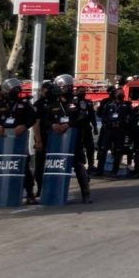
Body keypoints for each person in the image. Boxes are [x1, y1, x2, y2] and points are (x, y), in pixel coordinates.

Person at [45, 74, 92, 203]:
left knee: (78, 164)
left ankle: (86, 194)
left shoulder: (77, 102)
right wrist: (53, 125)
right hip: (57, 141)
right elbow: (46, 120)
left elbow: (82, 117)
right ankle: (51, 192)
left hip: (73, 139)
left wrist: (69, 124)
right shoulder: (54, 104)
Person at [0, 79, 36, 202]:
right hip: (2, 142)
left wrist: (24, 126)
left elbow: (32, 119)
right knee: (1, 166)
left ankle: (30, 193)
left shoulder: (24, 105)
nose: (16, 92)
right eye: (13, 89)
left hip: (18, 140)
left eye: (17, 89)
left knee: (23, 166)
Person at [96, 89, 132, 177]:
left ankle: (114, 171)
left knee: (118, 151)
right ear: (115, 94)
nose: (121, 94)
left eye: (122, 93)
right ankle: (100, 170)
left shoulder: (127, 105)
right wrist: (109, 122)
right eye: (119, 93)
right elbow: (103, 115)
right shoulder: (109, 105)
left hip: (120, 130)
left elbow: (131, 117)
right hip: (109, 129)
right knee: (103, 149)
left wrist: (123, 123)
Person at [31, 81, 57, 196]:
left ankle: (52, 187)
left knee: (54, 164)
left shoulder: (57, 102)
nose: (49, 91)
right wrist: (38, 140)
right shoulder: (39, 104)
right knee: (40, 165)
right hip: (43, 137)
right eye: (47, 89)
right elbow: (36, 124)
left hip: (56, 139)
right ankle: (40, 188)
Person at [75, 87, 98, 175]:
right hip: (77, 128)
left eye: (84, 92)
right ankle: (79, 165)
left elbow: (92, 115)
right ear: (76, 92)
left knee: (90, 147)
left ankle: (91, 165)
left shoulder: (88, 102)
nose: (82, 93)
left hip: (87, 128)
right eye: (80, 92)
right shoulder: (74, 102)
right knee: (78, 147)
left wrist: (95, 127)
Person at [95, 85, 117, 170]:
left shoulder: (119, 101)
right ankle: (100, 168)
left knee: (115, 149)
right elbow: (99, 113)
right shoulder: (105, 101)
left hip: (116, 129)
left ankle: (114, 168)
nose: (114, 93)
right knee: (102, 148)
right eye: (112, 91)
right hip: (106, 127)